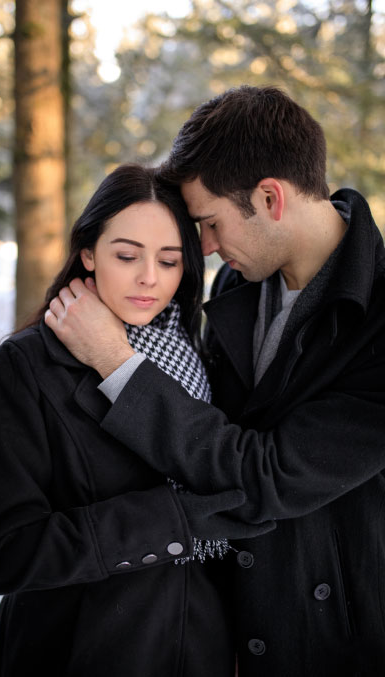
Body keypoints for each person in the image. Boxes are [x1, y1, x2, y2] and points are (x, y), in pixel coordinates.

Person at [46, 86, 385, 675]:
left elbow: (266, 476)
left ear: (270, 197)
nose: (202, 247)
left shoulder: (380, 316)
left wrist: (116, 363)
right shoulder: (238, 287)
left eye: (209, 223)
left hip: (335, 644)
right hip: (228, 629)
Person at [0, 163, 270, 676]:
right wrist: (170, 519)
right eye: (127, 255)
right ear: (88, 252)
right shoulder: (31, 362)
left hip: (197, 649)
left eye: (170, 261)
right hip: (75, 650)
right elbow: (5, 552)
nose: (149, 277)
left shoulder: (205, 353)